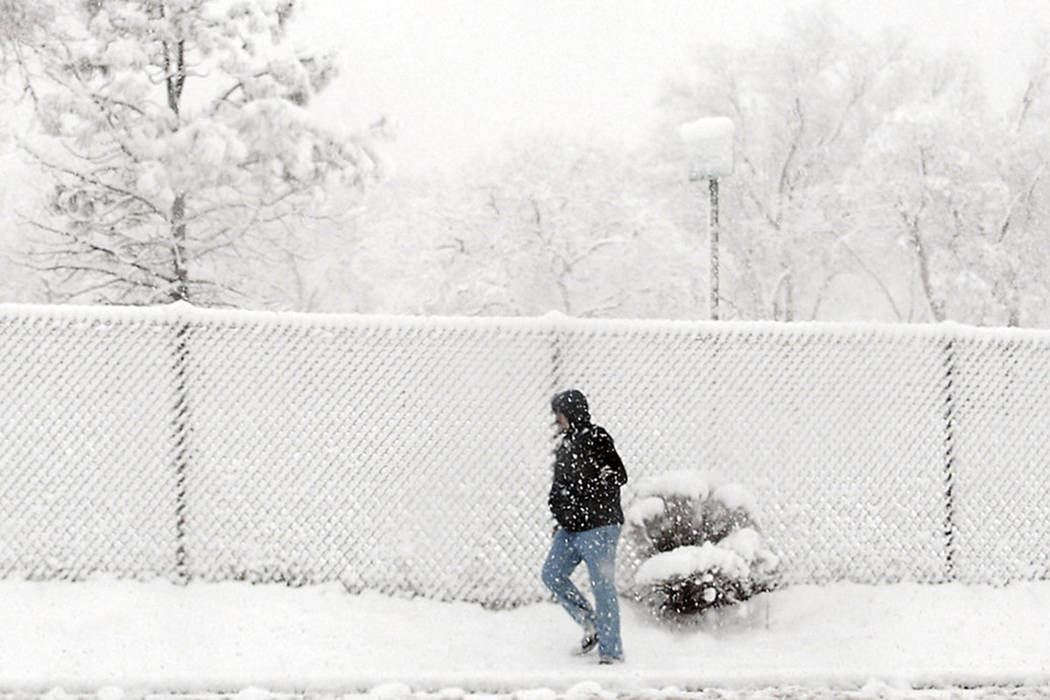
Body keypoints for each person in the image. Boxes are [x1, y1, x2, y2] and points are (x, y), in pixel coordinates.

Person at [541, 389, 628, 664]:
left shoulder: (597, 438)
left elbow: (617, 475)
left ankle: (611, 652)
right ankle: (592, 624)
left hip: (599, 525)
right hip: (572, 528)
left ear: (571, 412)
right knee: (552, 574)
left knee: (602, 585)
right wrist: (561, 512)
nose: (558, 419)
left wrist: (586, 493)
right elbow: (559, 489)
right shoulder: (565, 447)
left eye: (560, 414)